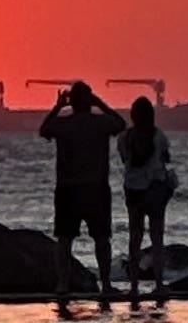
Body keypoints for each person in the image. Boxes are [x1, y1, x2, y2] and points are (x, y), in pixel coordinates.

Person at [37, 78, 124, 305]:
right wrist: (101, 104)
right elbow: (121, 124)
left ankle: (63, 284)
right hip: (96, 187)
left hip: (68, 187)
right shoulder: (101, 122)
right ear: (90, 101)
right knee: (102, 238)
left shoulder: (63, 124)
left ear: (71, 103)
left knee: (65, 239)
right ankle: (105, 284)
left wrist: (57, 107)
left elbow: (43, 130)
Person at [118, 94, 179, 300]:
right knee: (157, 238)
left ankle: (134, 286)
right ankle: (159, 284)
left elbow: (124, 159)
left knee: (134, 238)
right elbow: (166, 158)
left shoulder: (124, 138)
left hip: (132, 190)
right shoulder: (158, 136)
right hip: (154, 189)